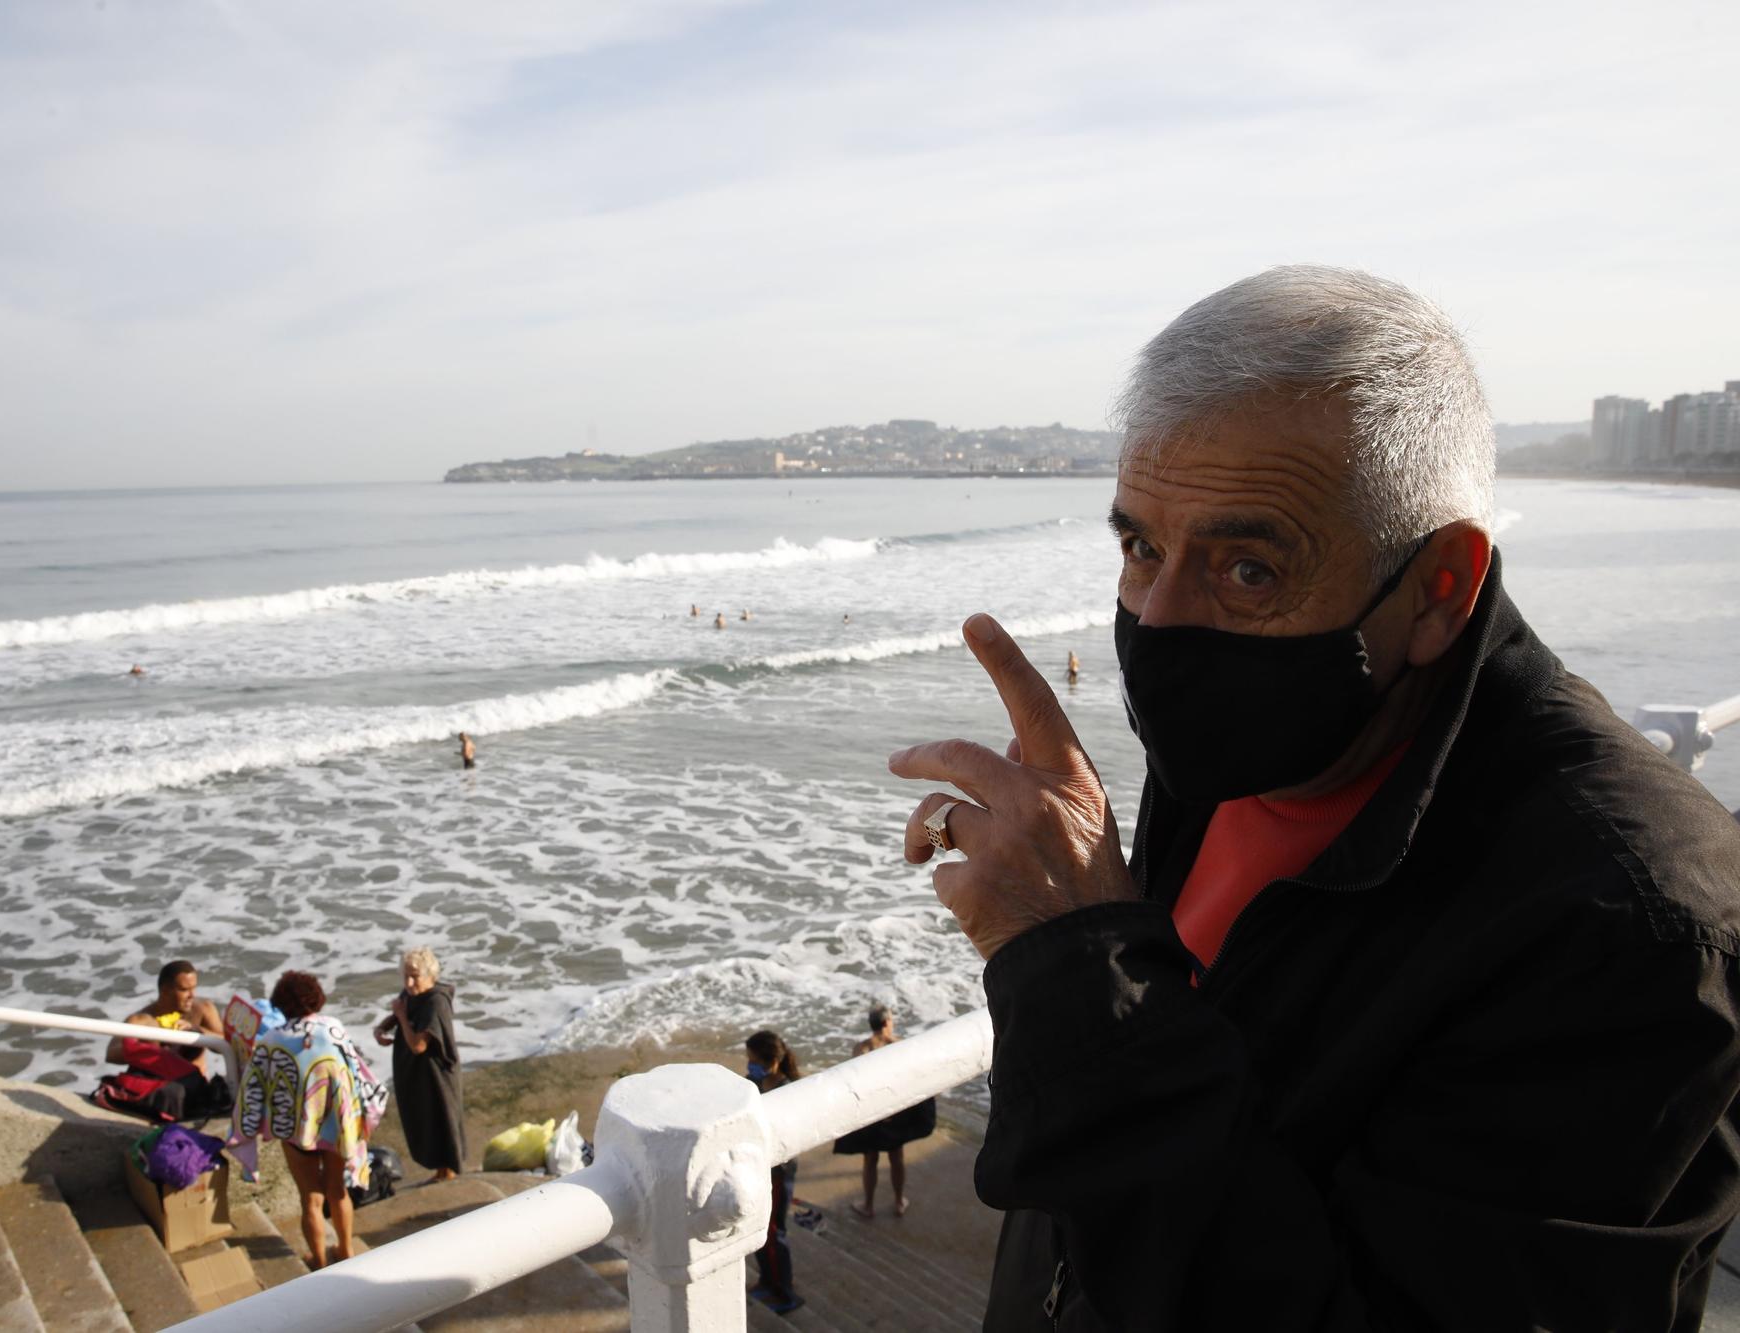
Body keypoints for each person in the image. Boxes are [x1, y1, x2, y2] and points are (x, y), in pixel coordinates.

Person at [890, 265, 1740, 1328]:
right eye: (1140, 547)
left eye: (1248, 568)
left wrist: (1075, 966)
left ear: (1436, 590)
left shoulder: (1625, 928)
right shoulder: (1254, 746)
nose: (1157, 623)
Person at [236, 970, 389, 1270]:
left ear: (281, 1003)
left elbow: (253, 1088)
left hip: (296, 1132)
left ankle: (318, 1261)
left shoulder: (270, 1040)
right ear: (316, 998)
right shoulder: (333, 1029)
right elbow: (356, 1073)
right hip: (336, 1128)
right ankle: (345, 1251)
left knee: (310, 1200)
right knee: (338, 1191)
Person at [830, 1005, 935, 1218]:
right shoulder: (900, 1045)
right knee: (897, 1157)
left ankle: (868, 1205)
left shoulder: (861, 1049)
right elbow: (913, 1077)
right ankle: (898, 1202)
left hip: (873, 1112)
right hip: (896, 1110)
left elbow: (855, 1081)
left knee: (870, 1159)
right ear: (887, 1022)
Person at [374, 946, 465, 1185]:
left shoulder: (436, 1002)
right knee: (423, 1121)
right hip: (417, 1074)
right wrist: (382, 1028)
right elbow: (400, 1009)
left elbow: (418, 1045)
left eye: (415, 976)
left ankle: (448, 1173)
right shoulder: (412, 994)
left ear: (430, 976)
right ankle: (440, 1171)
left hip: (436, 1074)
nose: (409, 982)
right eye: (405, 976)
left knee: (440, 1120)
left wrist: (401, 1017)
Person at [744, 1031, 804, 1316]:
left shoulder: (787, 1090)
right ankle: (767, 1281)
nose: (749, 1066)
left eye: (753, 1061)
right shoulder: (753, 1084)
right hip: (758, 1167)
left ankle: (787, 1292)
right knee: (758, 1227)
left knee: (774, 1231)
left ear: (772, 1062)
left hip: (779, 1171)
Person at [104, 959, 225, 1076]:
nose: (192, 995)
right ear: (165, 990)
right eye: (184, 990)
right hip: (157, 1087)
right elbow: (111, 1054)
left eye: (194, 988)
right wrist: (151, 1045)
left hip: (195, 1086)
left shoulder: (202, 1009)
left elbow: (227, 1045)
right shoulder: (143, 1020)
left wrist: (198, 1031)